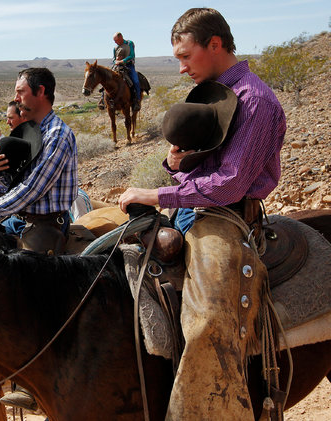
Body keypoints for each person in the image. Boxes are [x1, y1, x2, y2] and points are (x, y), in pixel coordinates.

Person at [118, 8, 286, 419]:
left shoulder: (255, 99)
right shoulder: (212, 92)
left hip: (225, 217)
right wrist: (178, 165)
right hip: (191, 205)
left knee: (208, 320)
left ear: (215, 45)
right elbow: (208, 161)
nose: (180, 69)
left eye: (185, 56)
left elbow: (230, 183)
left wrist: (158, 193)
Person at [0, 67, 78, 257]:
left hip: (46, 223)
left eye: (20, 91)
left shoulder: (57, 134)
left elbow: (33, 188)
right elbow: (14, 186)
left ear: (40, 91)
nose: (16, 98)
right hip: (22, 218)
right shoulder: (30, 133)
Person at [113, 32, 141, 111]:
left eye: (116, 40)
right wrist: (115, 61)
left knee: (135, 81)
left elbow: (132, 55)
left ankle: (137, 100)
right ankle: (103, 100)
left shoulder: (129, 43)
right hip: (117, 66)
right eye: (114, 41)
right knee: (107, 78)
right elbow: (113, 58)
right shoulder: (115, 48)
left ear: (121, 37)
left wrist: (122, 61)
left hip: (129, 66)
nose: (115, 42)